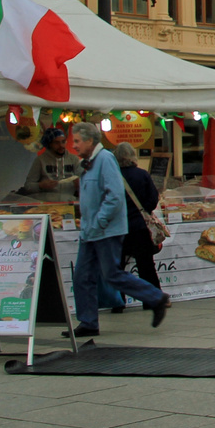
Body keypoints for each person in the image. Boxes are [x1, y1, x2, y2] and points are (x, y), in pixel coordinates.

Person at [67, 124, 168, 337]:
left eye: (77, 141)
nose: (74, 146)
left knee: (111, 274)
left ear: (89, 141)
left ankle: (155, 297)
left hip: (105, 231)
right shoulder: (88, 164)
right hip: (91, 231)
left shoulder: (104, 160)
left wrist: (99, 222)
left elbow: (114, 197)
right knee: (82, 277)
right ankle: (88, 322)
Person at [114, 142, 163, 295]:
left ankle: (118, 302)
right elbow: (153, 199)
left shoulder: (113, 176)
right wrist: (144, 210)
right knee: (146, 265)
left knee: (118, 267)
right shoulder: (142, 174)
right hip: (140, 227)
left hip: (119, 227)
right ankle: (152, 298)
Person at [19, 127, 81, 199]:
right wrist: (41, 185)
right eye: (56, 143)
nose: (61, 146)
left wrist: (80, 184)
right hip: (46, 205)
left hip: (68, 203)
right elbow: (28, 186)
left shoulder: (74, 159)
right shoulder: (40, 160)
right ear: (49, 144)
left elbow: (86, 184)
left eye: (63, 142)